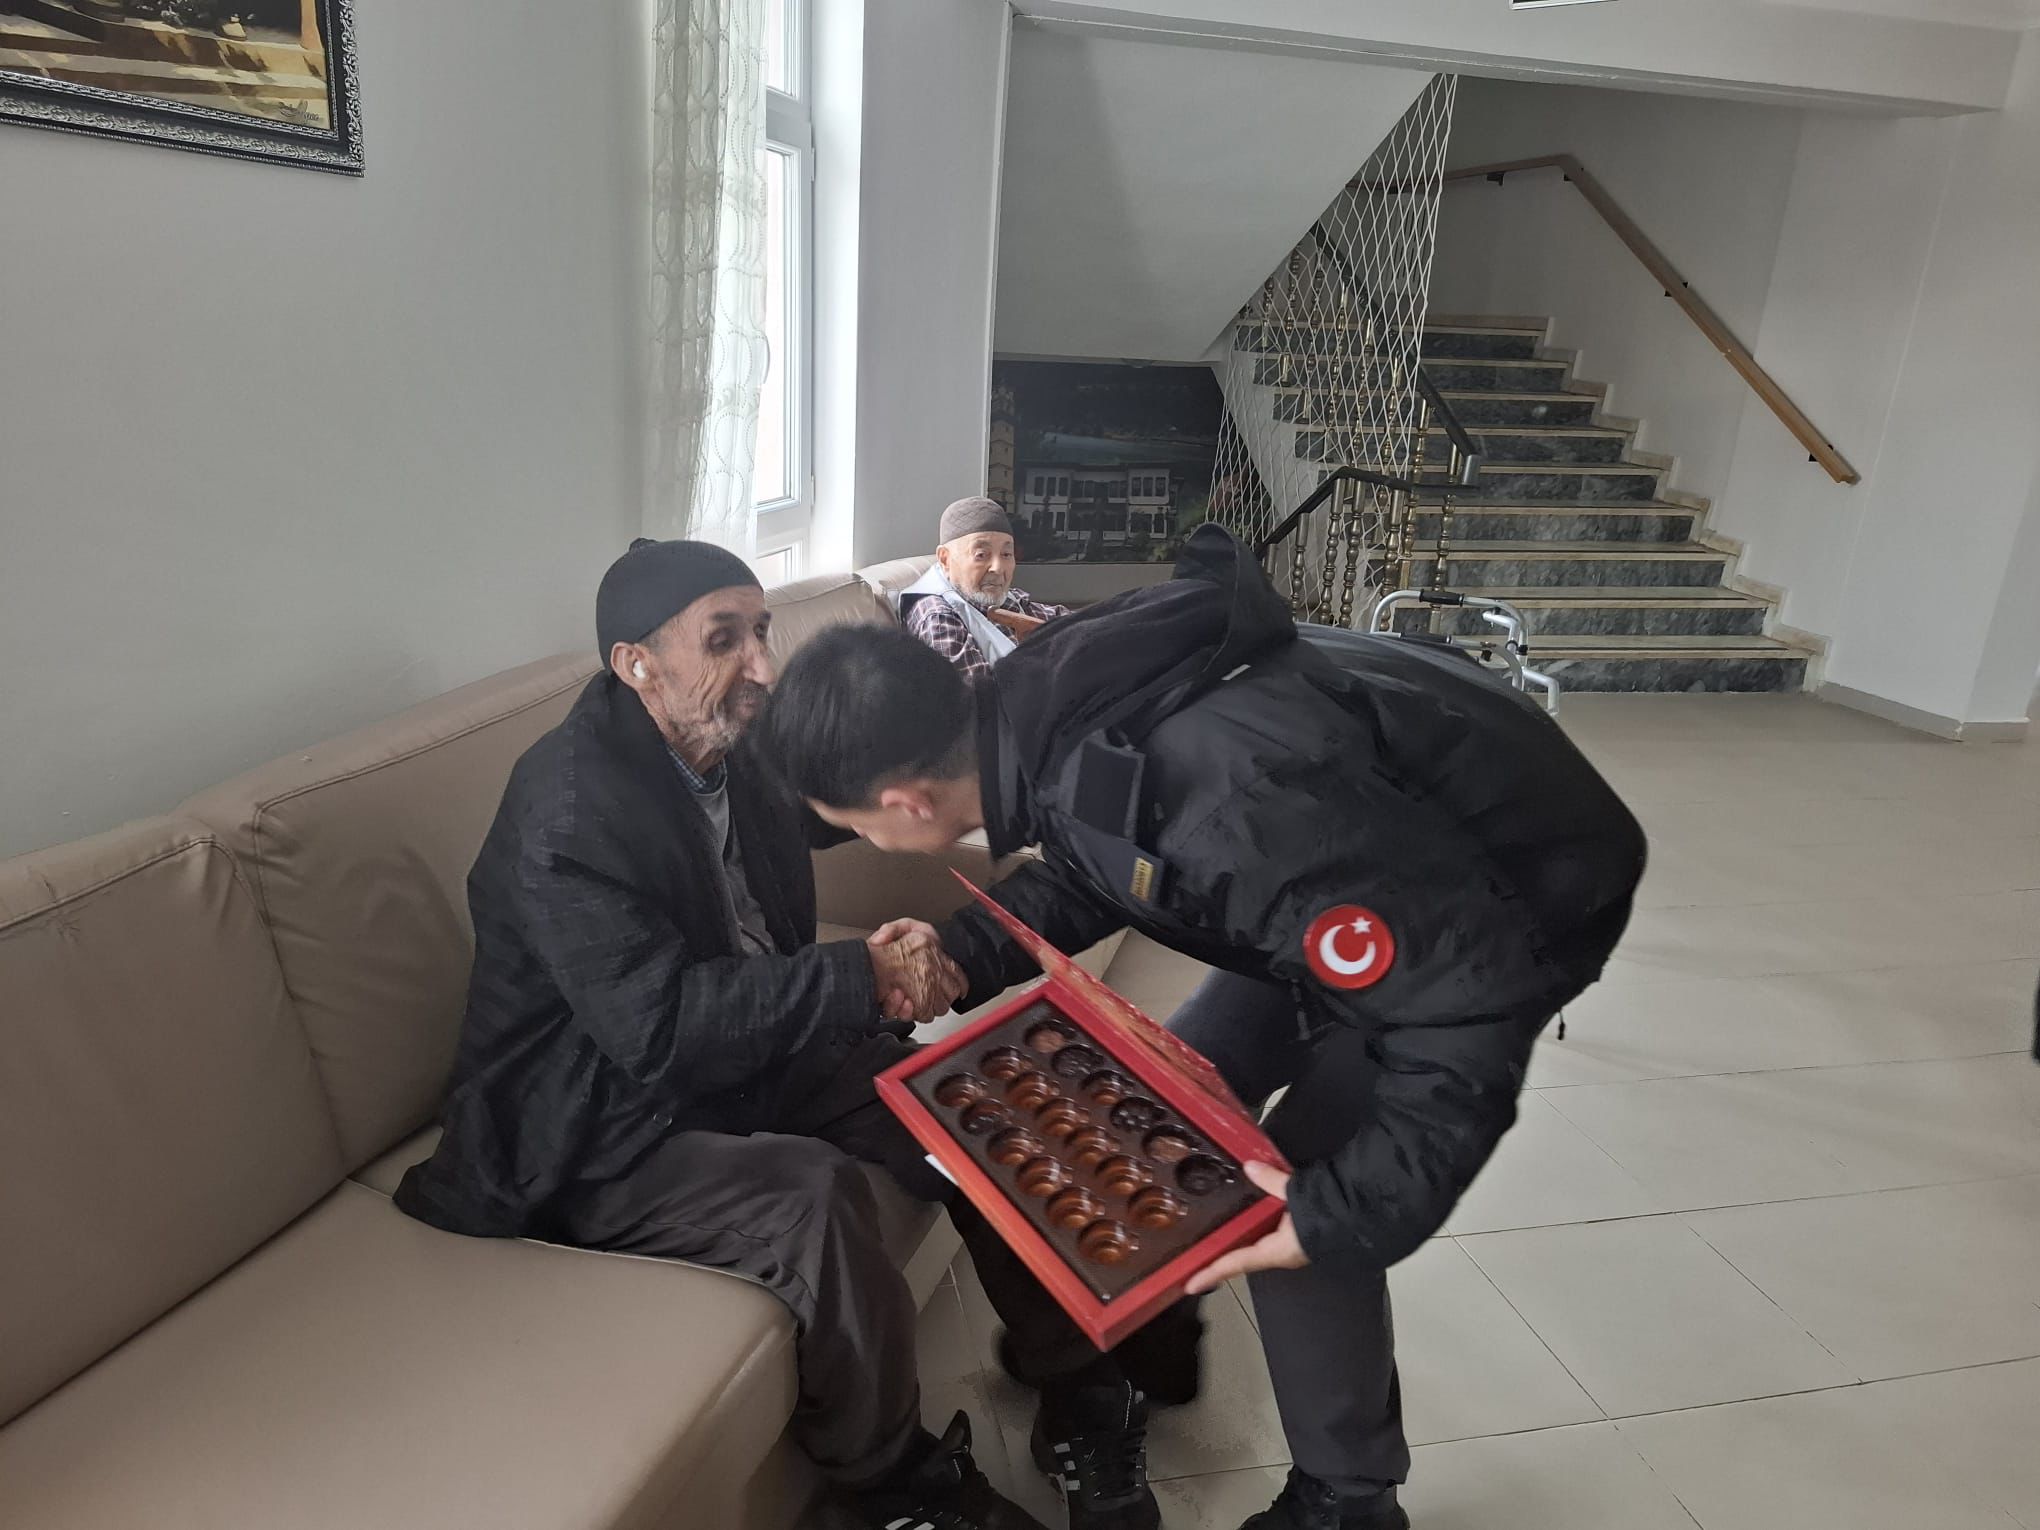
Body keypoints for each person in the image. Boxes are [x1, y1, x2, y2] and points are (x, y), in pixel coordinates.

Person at [760, 525, 1649, 1530]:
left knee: (1294, 1200)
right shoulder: (1033, 709)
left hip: (1519, 891)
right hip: (1369, 855)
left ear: (906, 802)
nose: (867, 844)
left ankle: (1348, 1502)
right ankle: (1155, 1335)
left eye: (856, 828)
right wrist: (966, 951)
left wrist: (1340, 1211)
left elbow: (1458, 1008)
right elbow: (1110, 853)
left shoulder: (1229, 804)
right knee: (1164, 1095)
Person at [394, 538, 1144, 1530]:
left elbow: (855, 783)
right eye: (724, 640)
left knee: (969, 1106)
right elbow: (657, 1028)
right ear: (636, 664)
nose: (760, 664)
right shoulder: (568, 813)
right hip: (592, 1119)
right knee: (812, 1197)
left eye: (760, 631)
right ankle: (889, 1489)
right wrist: (866, 974)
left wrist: (997, 785)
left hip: (745, 1055)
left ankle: (1081, 1393)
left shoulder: (733, 739)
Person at [901, 496, 1070, 679]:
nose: (998, 568)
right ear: (945, 559)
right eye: (981, 555)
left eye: (1006, 554)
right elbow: (978, 693)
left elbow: (1061, 619)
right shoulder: (938, 618)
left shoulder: (989, 596)